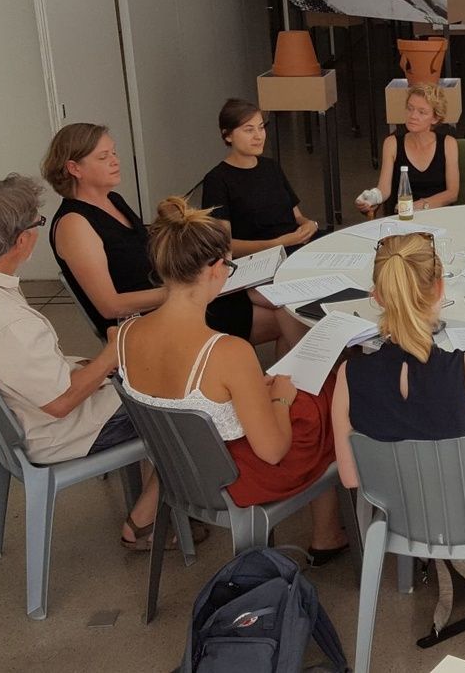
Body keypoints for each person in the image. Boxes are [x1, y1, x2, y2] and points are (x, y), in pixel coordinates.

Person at [0, 175, 167, 549]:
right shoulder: (8, 320)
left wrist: (95, 363)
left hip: (23, 420)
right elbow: (61, 402)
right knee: (188, 399)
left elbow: (25, 368)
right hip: (59, 431)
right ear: (22, 240)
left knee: (156, 373)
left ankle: (163, 495)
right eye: (37, 222)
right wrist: (113, 351)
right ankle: (144, 523)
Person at [117, 198, 348, 562]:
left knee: (307, 396)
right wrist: (281, 398)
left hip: (180, 467)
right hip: (229, 477)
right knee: (325, 394)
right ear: (214, 269)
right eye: (229, 264)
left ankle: (328, 532)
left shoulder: (127, 333)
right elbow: (273, 451)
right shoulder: (227, 351)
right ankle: (328, 533)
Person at [330, 231, 465, 540]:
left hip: (403, 517)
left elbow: (351, 477)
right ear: (439, 289)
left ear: (377, 296)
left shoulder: (348, 376)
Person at [44, 123, 286, 348]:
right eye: (103, 157)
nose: (115, 161)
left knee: (282, 304)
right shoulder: (74, 224)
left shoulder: (112, 200)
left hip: (169, 299)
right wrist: (189, 288)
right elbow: (110, 306)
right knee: (284, 319)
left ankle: (280, 380)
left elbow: (146, 254)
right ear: (74, 168)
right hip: (149, 320)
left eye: (114, 153)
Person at [201, 98, 319, 257]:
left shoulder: (271, 166)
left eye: (261, 127)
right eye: (249, 130)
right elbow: (223, 244)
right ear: (227, 135)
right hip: (263, 257)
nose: (259, 136)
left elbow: (296, 216)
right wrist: (277, 244)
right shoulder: (217, 180)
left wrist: (309, 224)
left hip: (296, 244)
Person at [357, 84, 459, 216]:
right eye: (410, 109)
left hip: (438, 216)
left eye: (421, 112)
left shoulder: (448, 143)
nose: (413, 116)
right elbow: (384, 189)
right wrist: (372, 199)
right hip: (402, 217)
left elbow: (452, 193)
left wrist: (422, 205)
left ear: (435, 118)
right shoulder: (391, 143)